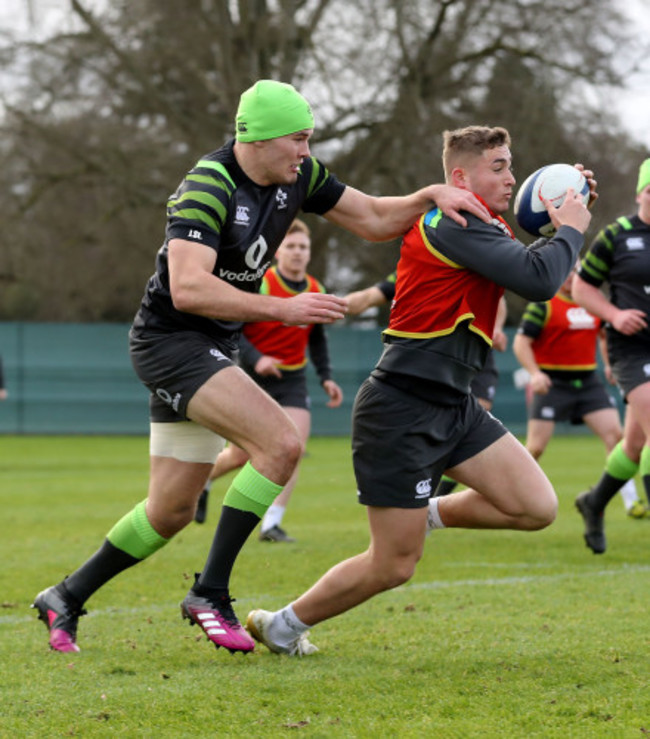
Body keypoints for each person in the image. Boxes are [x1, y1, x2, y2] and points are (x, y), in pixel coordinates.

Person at [31, 79, 492, 655]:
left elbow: (373, 218)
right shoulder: (208, 185)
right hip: (172, 343)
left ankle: (66, 596)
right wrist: (284, 307)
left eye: (308, 140)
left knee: (170, 511)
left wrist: (429, 196)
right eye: (297, 139)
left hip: (210, 349)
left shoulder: (298, 177)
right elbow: (189, 287)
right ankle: (210, 593)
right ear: (259, 137)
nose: (305, 152)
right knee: (280, 443)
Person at [245, 125, 594, 656]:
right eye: (497, 167)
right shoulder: (452, 221)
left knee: (535, 506)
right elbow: (541, 279)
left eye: (511, 165)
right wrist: (569, 228)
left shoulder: (486, 226)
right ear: (459, 177)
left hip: (453, 404)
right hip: (402, 408)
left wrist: (570, 203)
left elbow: (534, 260)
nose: (511, 177)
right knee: (394, 565)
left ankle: (429, 512)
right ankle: (283, 625)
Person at [194, 218, 344, 541]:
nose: (298, 252)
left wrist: (327, 378)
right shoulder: (261, 283)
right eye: (291, 246)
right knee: (241, 454)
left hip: (293, 380)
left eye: (303, 247)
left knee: (295, 449)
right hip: (254, 378)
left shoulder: (316, 289)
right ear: (277, 252)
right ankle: (203, 481)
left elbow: (316, 339)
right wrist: (257, 359)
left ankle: (271, 524)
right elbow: (235, 330)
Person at [346, 275, 509, 496]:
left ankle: (434, 496)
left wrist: (496, 328)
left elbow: (498, 297)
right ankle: (424, 491)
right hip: (429, 359)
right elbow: (369, 297)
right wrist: (332, 305)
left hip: (473, 351)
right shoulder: (413, 269)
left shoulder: (472, 255)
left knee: (479, 407)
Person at [513, 267, 642, 516]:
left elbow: (605, 336)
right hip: (552, 383)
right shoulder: (544, 305)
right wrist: (535, 373)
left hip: (587, 382)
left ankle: (630, 501)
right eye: (567, 272)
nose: (572, 276)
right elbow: (521, 342)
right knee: (536, 447)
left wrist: (610, 365)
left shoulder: (593, 304)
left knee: (616, 438)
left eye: (576, 271)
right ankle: (510, 496)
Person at [572, 157, 650, 553]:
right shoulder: (617, 235)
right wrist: (615, 314)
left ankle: (594, 502)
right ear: (640, 192)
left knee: (635, 445)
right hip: (632, 350)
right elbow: (582, 288)